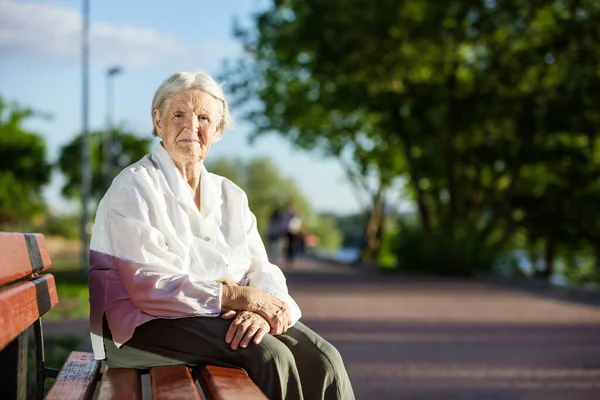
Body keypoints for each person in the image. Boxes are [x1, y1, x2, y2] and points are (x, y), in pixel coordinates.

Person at [88, 71, 354, 400]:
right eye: (178, 115)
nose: (191, 127)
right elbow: (148, 286)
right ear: (157, 121)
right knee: (270, 356)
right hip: (139, 326)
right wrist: (238, 298)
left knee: (325, 360)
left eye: (203, 118)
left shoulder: (231, 194)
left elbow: (261, 268)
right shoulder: (134, 186)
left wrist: (259, 310)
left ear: (217, 130)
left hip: (212, 316)